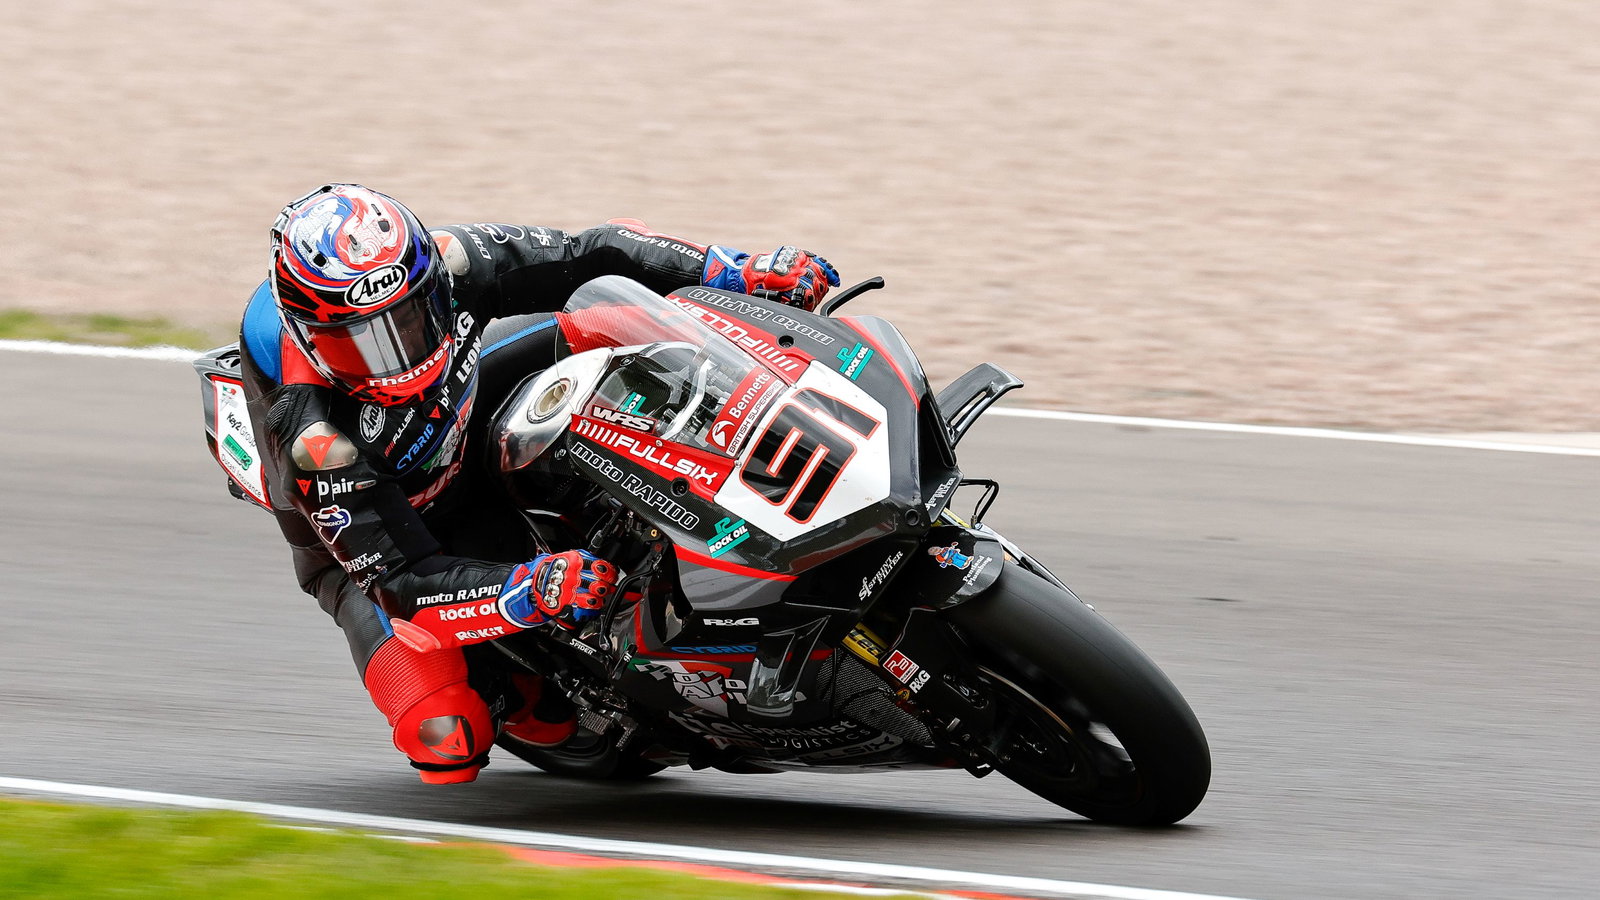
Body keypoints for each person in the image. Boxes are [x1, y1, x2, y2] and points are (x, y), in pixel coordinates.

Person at [233, 183, 838, 783]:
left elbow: (591, 252)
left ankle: (778, 423)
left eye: (409, 320)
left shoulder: (448, 261)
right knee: (445, 733)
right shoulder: (316, 442)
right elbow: (403, 581)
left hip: (468, 415)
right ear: (311, 340)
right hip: (389, 538)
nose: (395, 356)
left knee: (614, 318)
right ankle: (526, 702)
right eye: (358, 343)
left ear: (428, 284)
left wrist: (737, 270)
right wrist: (529, 591)